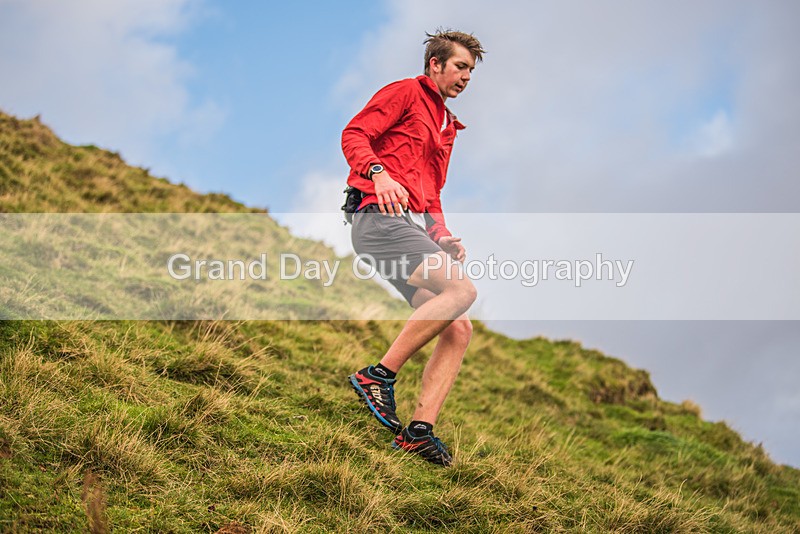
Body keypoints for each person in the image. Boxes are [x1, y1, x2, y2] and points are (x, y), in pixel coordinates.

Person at [342, 29, 485, 467]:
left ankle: (419, 432)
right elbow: (355, 134)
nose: (466, 77)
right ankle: (377, 376)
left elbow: (431, 194)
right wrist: (379, 173)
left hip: (405, 226)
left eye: (471, 71)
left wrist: (441, 234)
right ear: (435, 64)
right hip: (376, 218)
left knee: (459, 327)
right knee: (462, 291)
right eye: (460, 67)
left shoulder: (446, 126)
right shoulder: (406, 92)